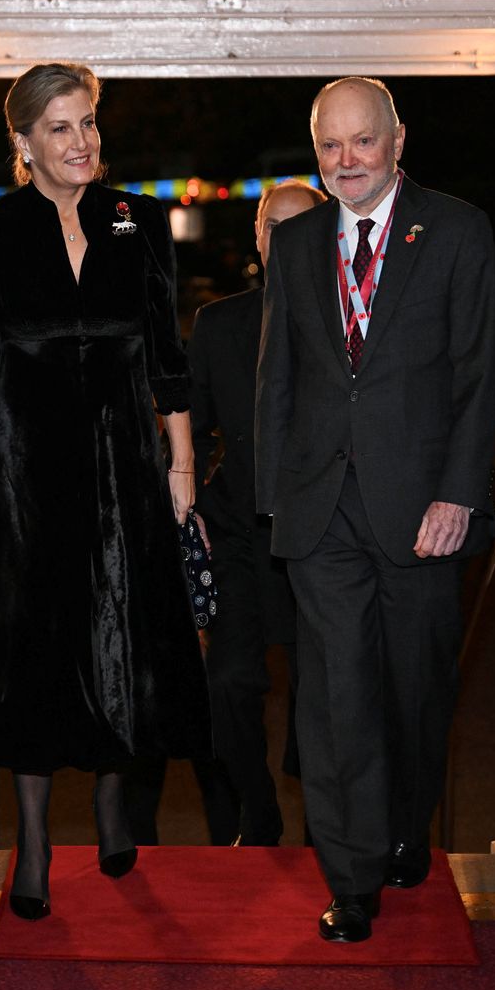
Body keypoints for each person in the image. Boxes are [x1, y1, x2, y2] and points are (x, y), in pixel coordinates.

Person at [0, 62, 212, 921]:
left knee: (121, 636)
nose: (81, 142)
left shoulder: (133, 218)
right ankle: (31, 840)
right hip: (27, 466)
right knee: (33, 642)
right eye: (59, 127)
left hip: (125, 462)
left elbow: (165, 353)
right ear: (23, 141)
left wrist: (178, 467)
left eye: (88, 123)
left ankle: (109, 800)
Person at [255, 76, 495, 942]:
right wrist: (274, 504)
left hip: (422, 514)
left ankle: (406, 823)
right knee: (333, 701)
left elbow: (480, 377)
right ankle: (351, 872)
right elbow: (275, 381)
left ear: (397, 139)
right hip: (324, 514)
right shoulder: (296, 245)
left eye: (362, 141)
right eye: (330, 145)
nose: (346, 161)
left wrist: (457, 493)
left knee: (416, 693)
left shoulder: (460, 230)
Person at [188, 180, 326, 845]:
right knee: (226, 687)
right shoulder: (218, 324)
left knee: (323, 698)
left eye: (300, 225)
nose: (284, 238)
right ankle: (259, 813)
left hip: (321, 541)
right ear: (257, 234)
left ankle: (323, 821)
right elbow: (189, 430)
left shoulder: (346, 324)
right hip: (238, 534)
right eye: (273, 225)